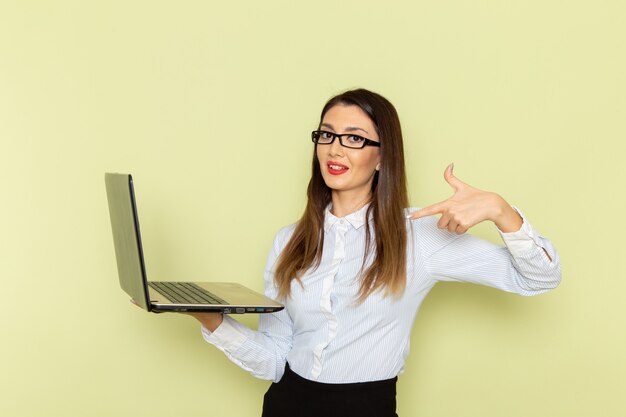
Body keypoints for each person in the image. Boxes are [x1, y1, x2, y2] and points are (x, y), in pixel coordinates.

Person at [184, 89, 561, 417]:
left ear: (382, 157)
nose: (334, 148)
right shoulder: (289, 241)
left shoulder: (418, 236)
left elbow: (540, 277)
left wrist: (500, 210)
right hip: (286, 406)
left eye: (354, 138)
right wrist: (211, 319)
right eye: (327, 134)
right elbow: (275, 361)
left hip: (366, 408)